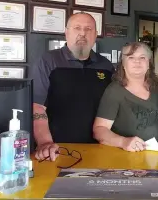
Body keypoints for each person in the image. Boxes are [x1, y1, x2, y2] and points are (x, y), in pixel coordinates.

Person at [30, 12, 114, 161]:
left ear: (95, 35)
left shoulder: (106, 66)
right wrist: (45, 143)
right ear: (66, 32)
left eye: (88, 29)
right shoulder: (49, 60)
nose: (82, 33)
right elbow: (37, 107)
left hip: (100, 148)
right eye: (77, 28)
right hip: (58, 149)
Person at [93, 42, 158, 152]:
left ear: (148, 63)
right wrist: (123, 142)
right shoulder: (114, 91)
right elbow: (99, 130)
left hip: (157, 155)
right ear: (123, 64)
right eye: (131, 57)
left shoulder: (155, 88)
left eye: (142, 57)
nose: (137, 61)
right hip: (127, 157)